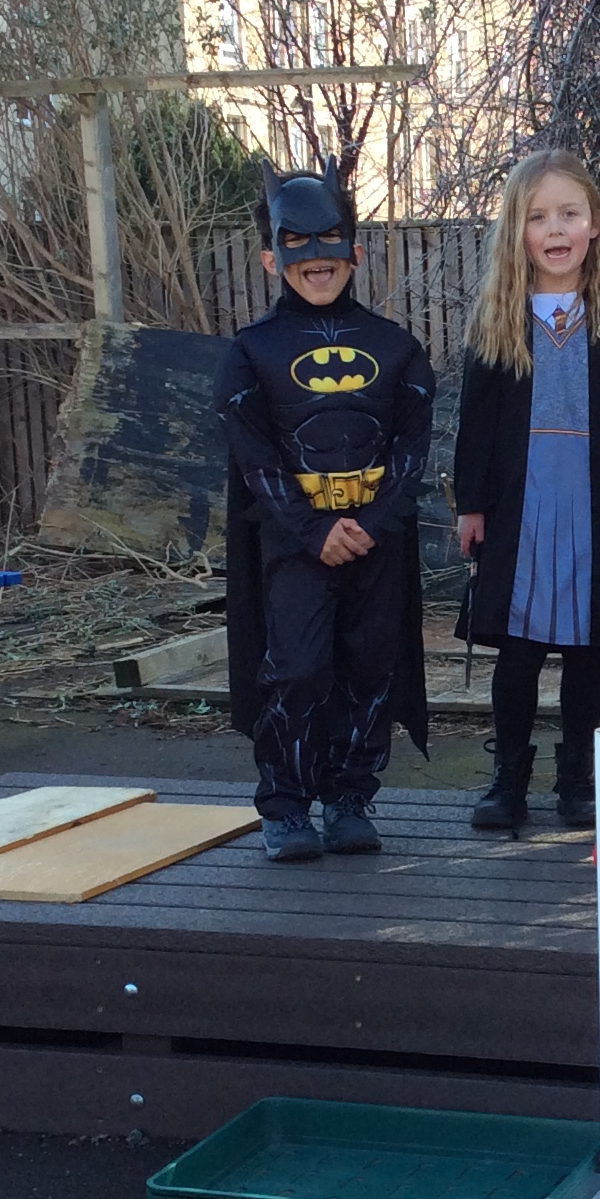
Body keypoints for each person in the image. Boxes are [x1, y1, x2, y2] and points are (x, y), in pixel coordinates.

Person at [220, 157, 435, 863]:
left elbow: (412, 450)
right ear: (270, 257)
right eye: (296, 242)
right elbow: (254, 460)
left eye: (329, 239)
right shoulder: (249, 354)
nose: (316, 257)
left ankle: (350, 798)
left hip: (375, 540)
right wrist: (314, 530)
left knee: (372, 664)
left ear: (356, 251)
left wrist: (368, 525)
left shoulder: (397, 349)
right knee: (297, 666)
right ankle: (285, 805)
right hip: (294, 543)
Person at [453, 149, 600, 832]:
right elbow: (476, 421)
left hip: (595, 506)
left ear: (594, 225)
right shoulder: (498, 317)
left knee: (585, 648)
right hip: (520, 506)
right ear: (518, 231)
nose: (556, 229)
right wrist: (471, 504)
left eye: (570, 214)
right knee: (518, 650)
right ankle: (508, 776)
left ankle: (576, 778)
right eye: (539, 217)